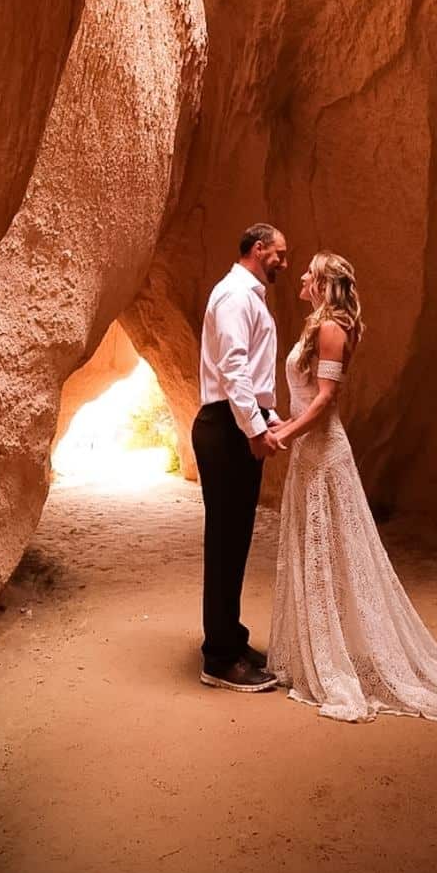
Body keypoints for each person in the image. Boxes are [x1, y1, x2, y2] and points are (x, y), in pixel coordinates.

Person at [268, 251, 437, 723]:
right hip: (309, 453)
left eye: (311, 271)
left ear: (325, 282)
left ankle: (334, 661)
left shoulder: (331, 329)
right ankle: (320, 650)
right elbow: (310, 395)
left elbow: (327, 401)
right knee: (319, 552)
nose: (303, 276)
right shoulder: (323, 325)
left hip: (322, 454)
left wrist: (286, 433)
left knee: (333, 554)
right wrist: (285, 424)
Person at [192, 222, 288, 692]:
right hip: (227, 428)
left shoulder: (248, 296)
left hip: (237, 424)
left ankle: (231, 638)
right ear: (257, 248)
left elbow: (249, 371)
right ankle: (219, 658)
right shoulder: (235, 295)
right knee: (226, 542)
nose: (284, 264)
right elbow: (233, 368)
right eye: (279, 254)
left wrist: (265, 417)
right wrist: (253, 427)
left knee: (235, 542)